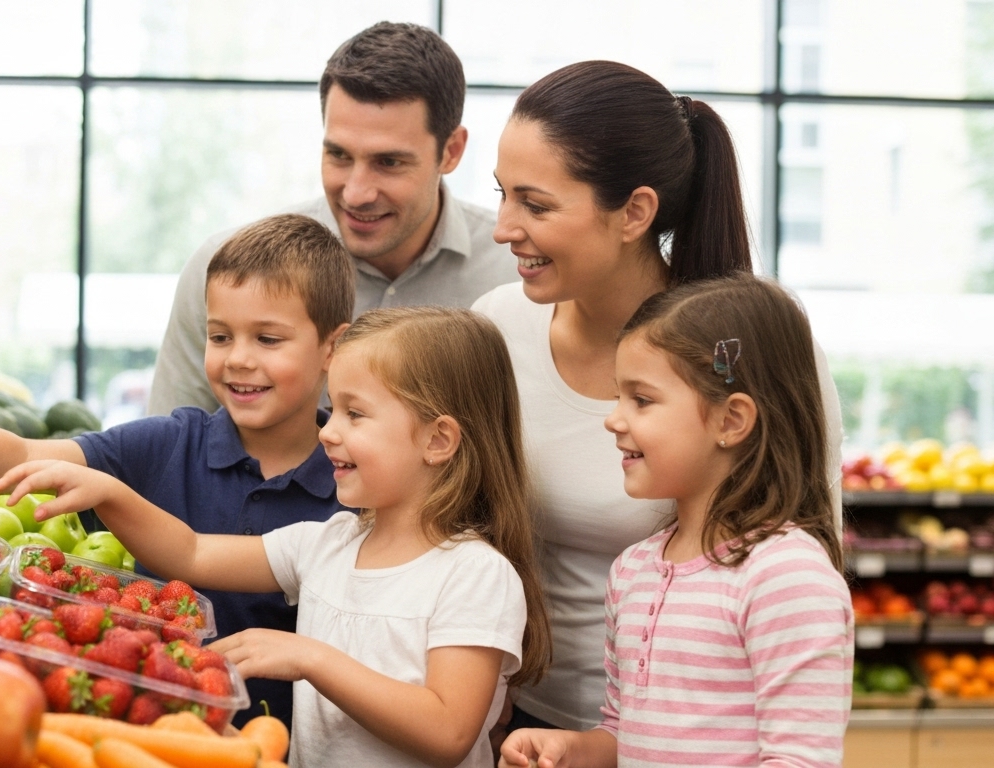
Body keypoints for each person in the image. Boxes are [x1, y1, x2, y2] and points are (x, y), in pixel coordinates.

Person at [0, 213, 355, 728]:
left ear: (333, 347)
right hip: (137, 731)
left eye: (268, 338)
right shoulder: (168, 443)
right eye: (219, 336)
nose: (237, 357)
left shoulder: (356, 483)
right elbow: (21, 456)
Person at [0, 307, 551, 768]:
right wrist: (109, 490)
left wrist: (311, 658)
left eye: (355, 415)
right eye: (334, 410)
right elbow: (189, 551)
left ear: (438, 440)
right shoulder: (330, 543)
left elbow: (449, 731)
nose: (328, 431)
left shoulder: (477, 573)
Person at [473, 60, 845, 734]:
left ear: (635, 212)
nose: (502, 228)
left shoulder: (744, 357)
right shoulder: (497, 328)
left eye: (535, 204)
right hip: (518, 725)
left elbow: (805, 575)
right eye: (501, 194)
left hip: (699, 741)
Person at [500, 274, 853, 768]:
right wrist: (573, 749)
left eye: (641, 400)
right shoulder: (631, 570)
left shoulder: (785, 576)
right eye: (618, 396)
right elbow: (624, 732)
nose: (613, 419)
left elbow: (800, 759)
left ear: (731, 420)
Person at [149, 21, 518, 415]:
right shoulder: (221, 269)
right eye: (339, 155)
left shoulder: (516, 276)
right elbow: (167, 457)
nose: (357, 193)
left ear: (451, 151)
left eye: (388, 162)